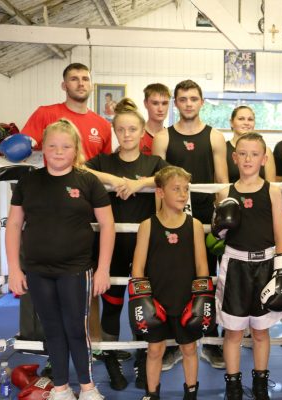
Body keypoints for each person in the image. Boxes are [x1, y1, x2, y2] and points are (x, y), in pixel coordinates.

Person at [6, 119, 115, 400]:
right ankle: (61, 387)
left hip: (75, 269)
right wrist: (14, 269)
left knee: (76, 329)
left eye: (65, 146)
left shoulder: (87, 180)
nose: (58, 151)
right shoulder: (29, 180)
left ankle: (88, 387)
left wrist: (103, 269)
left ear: (76, 149)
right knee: (52, 328)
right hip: (38, 270)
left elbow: (108, 225)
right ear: (43, 148)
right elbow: (15, 225)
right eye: (52, 145)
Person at [84, 98, 169, 390]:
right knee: (111, 304)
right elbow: (81, 169)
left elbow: (170, 176)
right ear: (114, 131)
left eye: (133, 129)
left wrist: (139, 183)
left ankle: (143, 358)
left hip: (145, 247)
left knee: (144, 306)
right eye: (121, 129)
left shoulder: (153, 162)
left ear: (142, 130)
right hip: (112, 246)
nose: (128, 134)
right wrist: (115, 179)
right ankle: (110, 358)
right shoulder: (104, 161)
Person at [153, 79, 228, 369]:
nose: (188, 103)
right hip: (173, 217)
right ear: (176, 103)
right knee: (172, 280)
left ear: (201, 102)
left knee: (206, 279)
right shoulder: (163, 137)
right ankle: (173, 343)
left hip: (206, 220)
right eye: (182, 99)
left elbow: (222, 181)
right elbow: (157, 182)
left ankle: (210, 340)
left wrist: (224, 219)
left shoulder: (215, 137)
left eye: (193, 98)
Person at [214, 133, 282, 400]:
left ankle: (259, 382)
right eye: (242, 153)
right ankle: (233, 385)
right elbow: (218, 235)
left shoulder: (272, 191)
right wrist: (218, 227)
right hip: (235, 265)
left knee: (260, 330)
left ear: (264, 159)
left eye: (254, 154)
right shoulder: (225, 193)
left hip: (267, 264)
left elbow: (280, 229)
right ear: (234, 157)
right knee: (233, 332)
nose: (247, 159)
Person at [130, 165, 212, 400]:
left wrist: (201, 298)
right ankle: (152, 394)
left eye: (185, 189)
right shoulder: (148, 225)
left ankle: (191, 394)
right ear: (160, 192)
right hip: (156, 301)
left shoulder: (194, 225)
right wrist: (142, 300)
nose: (182, 194)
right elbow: (137, 267)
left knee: (188, 348)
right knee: (155, 350)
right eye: (175, 189)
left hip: (186, 299)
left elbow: (202, 265)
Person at [22, 63, 112, 161]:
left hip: (90, 176)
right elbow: (21, 148)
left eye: (85, 79)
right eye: (74, 79)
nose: (81, 83)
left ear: (91, 87)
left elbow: (106, 165)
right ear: (64, 86)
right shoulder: (44, 114)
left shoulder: (104, 125)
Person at [226, 106, 276, 182]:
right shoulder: (223, 149)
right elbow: (219, 183)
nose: (246, 123)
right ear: (231, 122)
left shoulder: (266, 151)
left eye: (250, 119)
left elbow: (271, 185)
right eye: (241, 119)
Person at [140, 83, 171, 156]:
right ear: (145, 103)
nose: (160, 109)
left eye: (164, 103)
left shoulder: (171, 137)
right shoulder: (136, 136)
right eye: (155, 103)